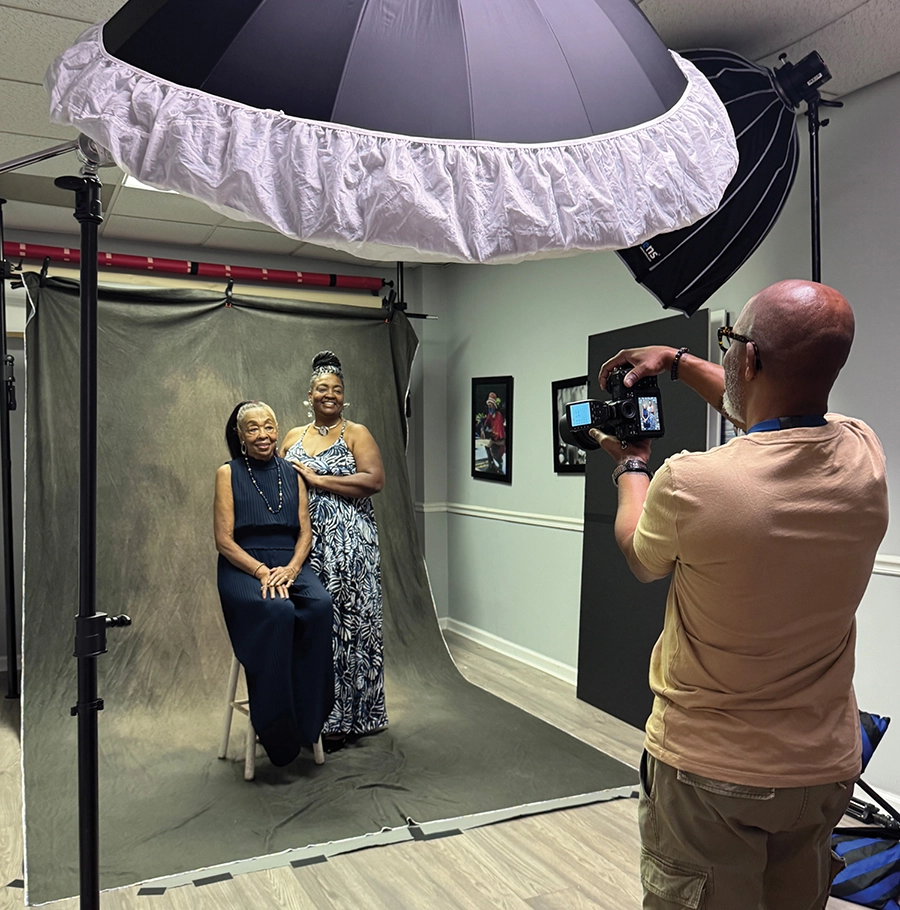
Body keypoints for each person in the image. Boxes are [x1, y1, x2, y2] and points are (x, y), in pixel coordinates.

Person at [593, 280, 889, 910]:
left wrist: (631, 468)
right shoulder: (864, 455)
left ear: (749, 359)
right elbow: (776, 419)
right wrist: (674, 362)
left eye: (730, 343)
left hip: (712, 774)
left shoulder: (693, 481)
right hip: (822, 771)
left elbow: (641, 558)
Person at [214, 400, 334, 767]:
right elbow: (224, 540)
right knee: (276, 611)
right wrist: (261, 571)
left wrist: (294, 569)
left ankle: (308, 720)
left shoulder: (292, 472)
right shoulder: (227, 473)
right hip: (243, 565)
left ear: (277, 430)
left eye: (269, 426)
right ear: (240, 435)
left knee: (319, 606)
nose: (263, 434)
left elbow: (305, 534)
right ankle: (275, 727)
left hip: (289, 562)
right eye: (253, 428)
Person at [281, 352, 387, 753]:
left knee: (347, 628)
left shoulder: (356, 433)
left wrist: (318, 480)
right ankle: (309, 712)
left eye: (337, 389)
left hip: (350, 546)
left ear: (344, 397)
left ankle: (347, 719)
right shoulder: (291, 437)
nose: (330, 395)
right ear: (309, 395)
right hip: (305, 545)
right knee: (312, 628)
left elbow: (375, 480)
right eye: (322, 388)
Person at [480, 392, 506, 472]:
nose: (489, 407)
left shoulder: (498, 417)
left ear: (494, 406)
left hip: (500, 441)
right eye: (488, 406)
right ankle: (492, 464)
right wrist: (482, 430)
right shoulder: (490, 415)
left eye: (491, 405)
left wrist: (493, 441)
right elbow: (485, 424)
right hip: (494, 439)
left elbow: (501, 437)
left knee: (494, 451)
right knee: (487, 446)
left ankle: (499, 465)